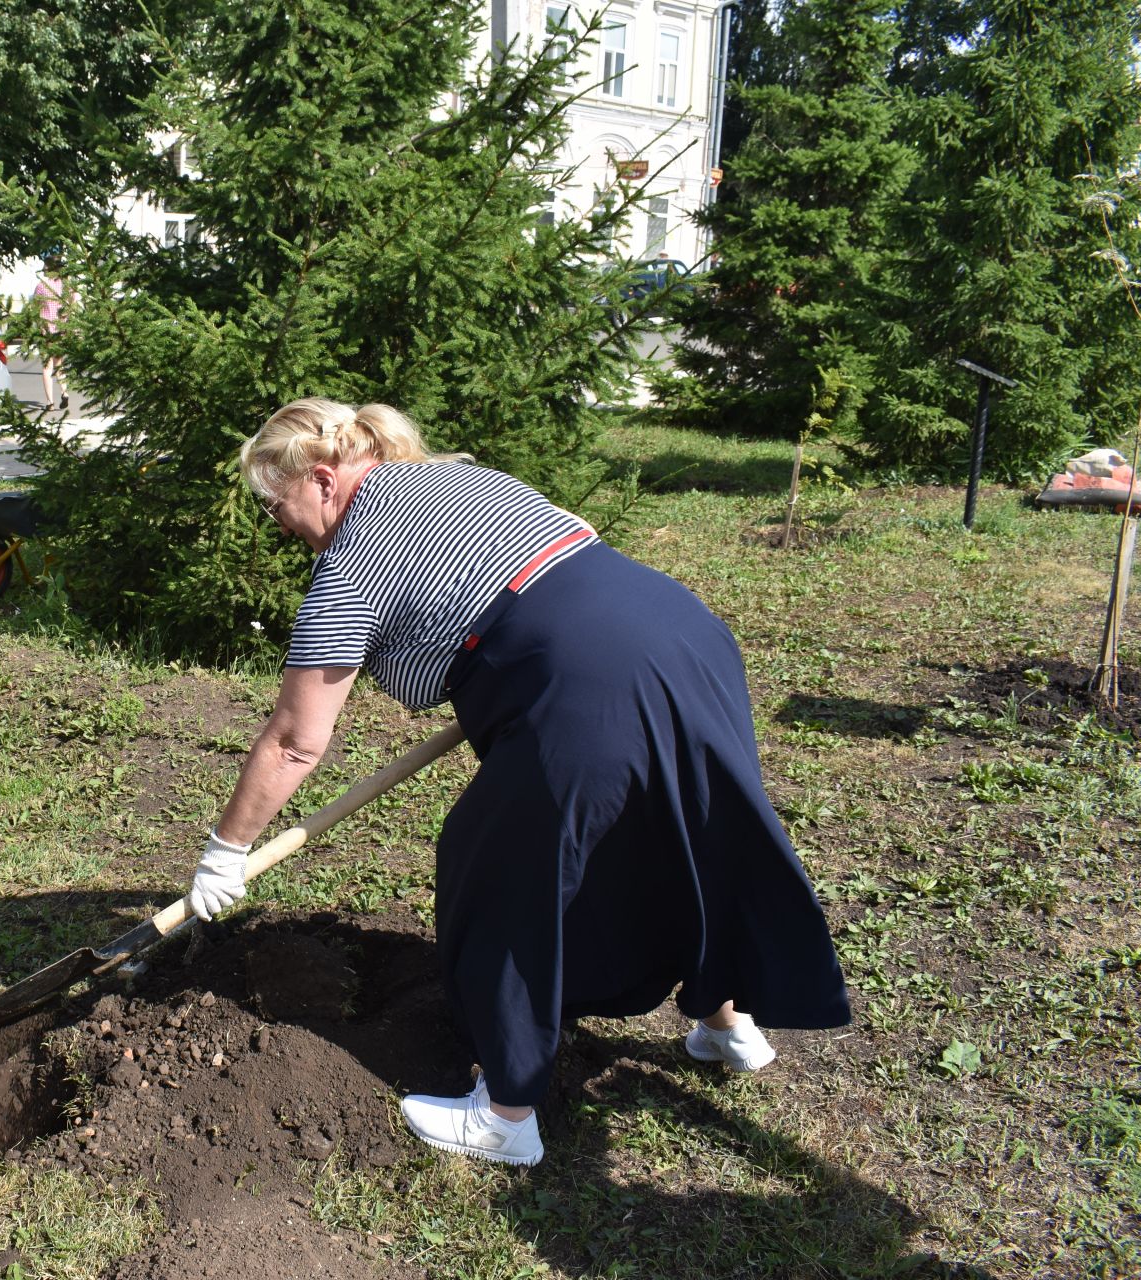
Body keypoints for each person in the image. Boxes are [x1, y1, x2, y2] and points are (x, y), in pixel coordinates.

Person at [189, 397, 850, 1168]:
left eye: (276, 504)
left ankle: (505, 1116)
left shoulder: (349, 567)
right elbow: (575, 535)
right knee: (678, 830)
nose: (279, 525)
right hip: (680, 634)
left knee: (498, 875)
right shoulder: (457, 479)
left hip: (584, 682)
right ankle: (724, 1022)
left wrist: (224, 850)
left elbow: (296, 741)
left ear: (326, 480)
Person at [33, 256, 68, 410]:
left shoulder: (41, 287)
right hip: (60, 329)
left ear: (48, 269)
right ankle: (65, 393)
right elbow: (70, 303)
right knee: (59, 364)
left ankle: (50, 403)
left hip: (46, 331)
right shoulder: (63, 285)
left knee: (47, 368)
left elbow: (35, 308)